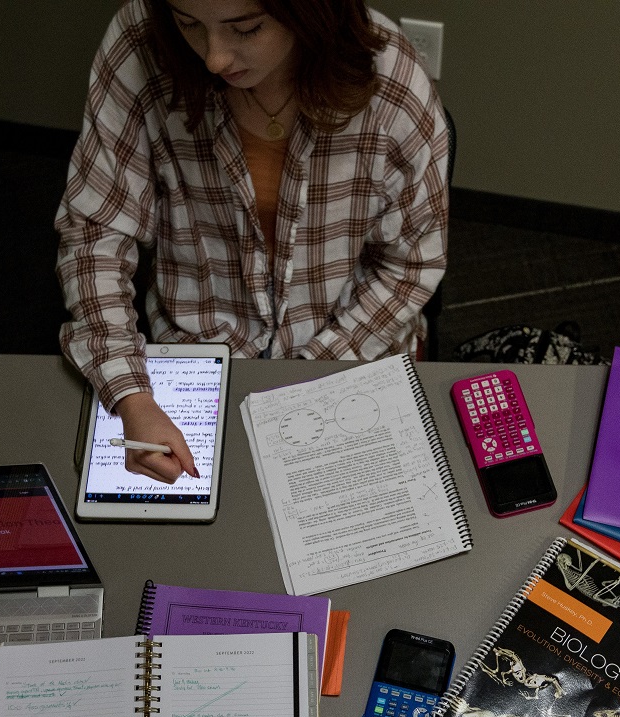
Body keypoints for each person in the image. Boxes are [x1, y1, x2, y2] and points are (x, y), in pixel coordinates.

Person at [57, 0, 449, 484]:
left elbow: (410, 264)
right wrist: (131, 394)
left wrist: (308, 377)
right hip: (196, 347)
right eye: (189, 25)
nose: (214, 58)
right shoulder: (140, 44)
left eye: (245, 28)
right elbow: (96, 231)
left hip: (349, 343)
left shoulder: (393, 80)